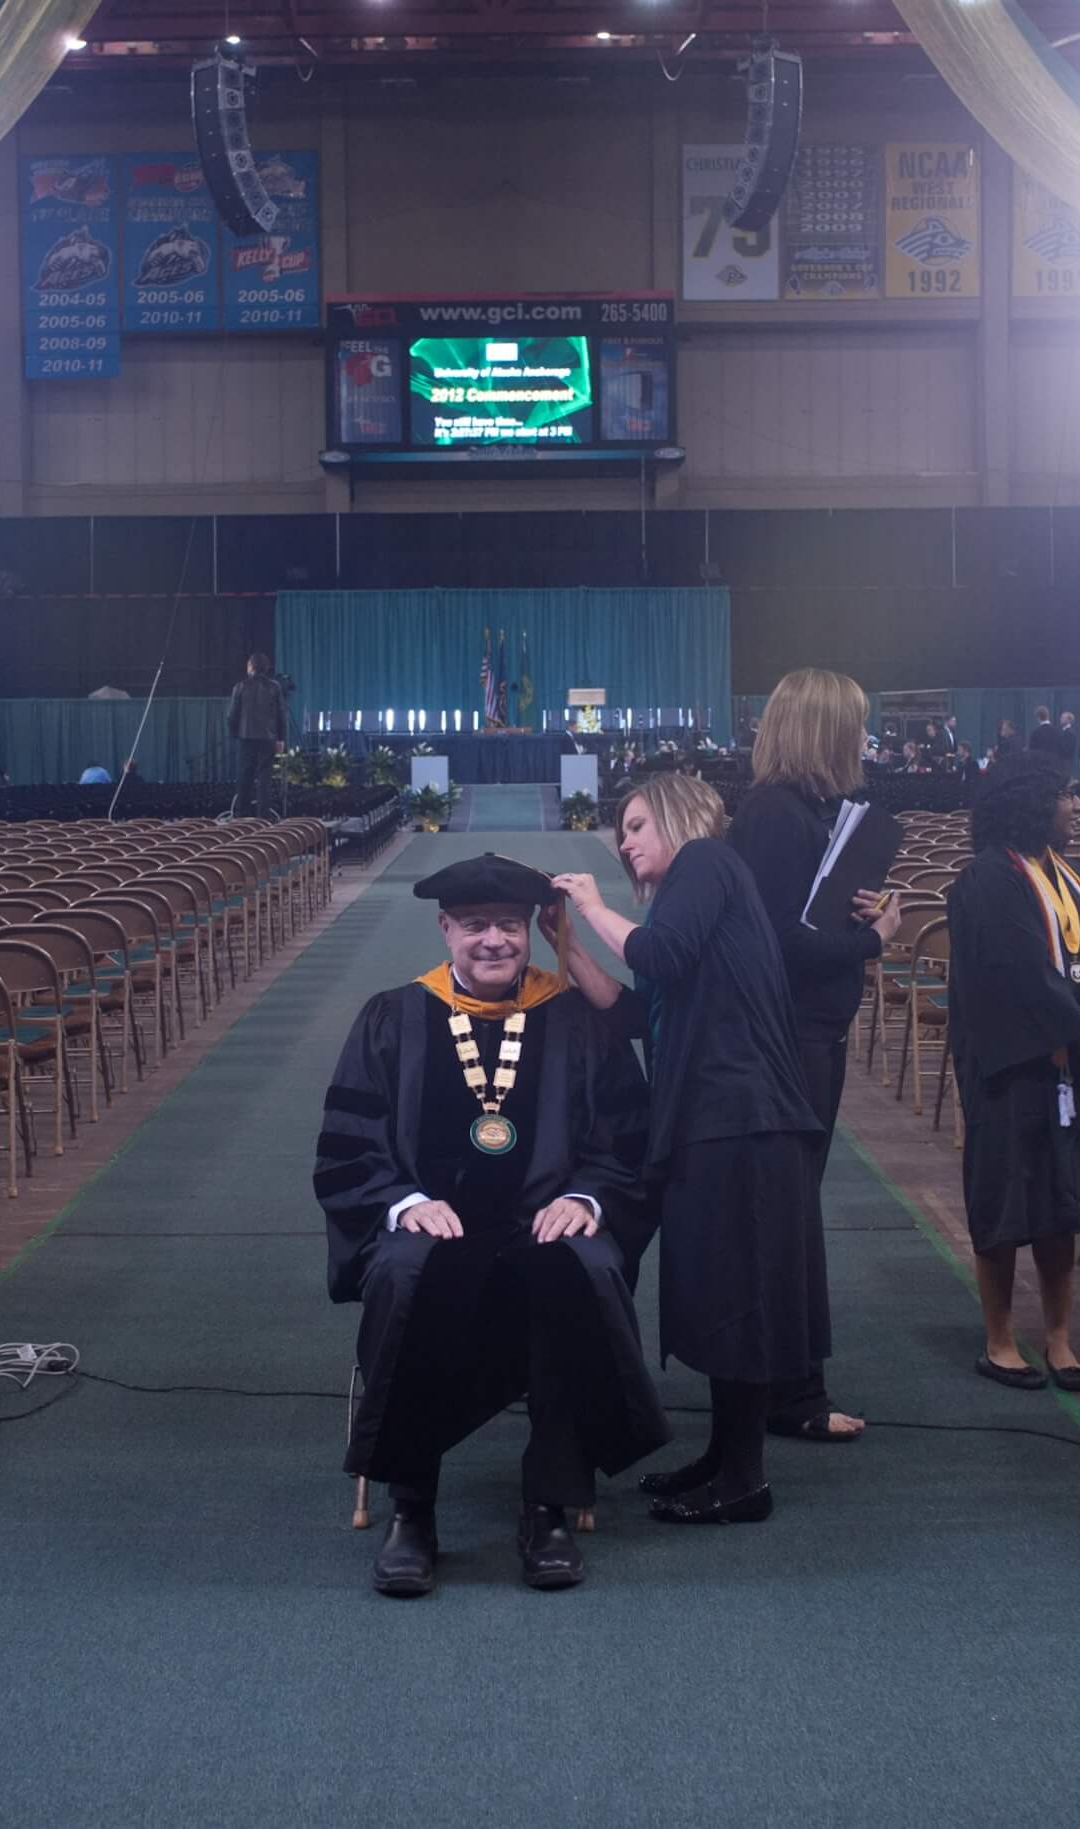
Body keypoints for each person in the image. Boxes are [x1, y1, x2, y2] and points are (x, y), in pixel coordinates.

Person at [315, 854, 668, 1597]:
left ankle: (548, 1505)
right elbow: (350, 1146)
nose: (493, 941)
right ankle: (411, 1508)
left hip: (542, 1216)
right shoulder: (394, 1015)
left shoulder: (574, 1017)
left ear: (530, 933)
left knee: (576, 1263)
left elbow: (625, 1138)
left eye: (508, 925)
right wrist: (404, 1201)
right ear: (445, 928)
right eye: (474, 925)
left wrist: (590, 1197)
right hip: (432, 1219)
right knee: (406, 1269)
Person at [551, 773, 827, 1526]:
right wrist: (568, 948)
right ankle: (724, 1459)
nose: (625, 841)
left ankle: (743, 1480)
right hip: (715, 1122)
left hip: (740, 1119)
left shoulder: (705, 861)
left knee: (735, 1300)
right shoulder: (693, 897)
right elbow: (638, 1008)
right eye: (621, 830)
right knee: (717, 1296)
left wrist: (592, 904)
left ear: (678, 816)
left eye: (637, 824)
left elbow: (659, 957)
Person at [944, 754, 1080, 1392]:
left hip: (1074, 1065)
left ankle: (1061, 1339)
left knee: (1063, 1201)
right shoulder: (985, 880)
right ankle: (1000, 1338)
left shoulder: (1079, 877)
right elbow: (1028, 983)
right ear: (1034, 801)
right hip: (1009, 1065)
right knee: (1006, 1198)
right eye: (1069, 794)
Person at [727, 668, 901, 1445]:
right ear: (826, 730)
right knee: (784, 1221)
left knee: (789, 1218)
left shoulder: (806, 812)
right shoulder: (774, 813)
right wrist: (871, 937)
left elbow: (800, 917)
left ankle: (782, 1383)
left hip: (810, 1035)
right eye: (856, 725)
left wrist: (854, 908)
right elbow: (777, 942)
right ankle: (788, 1391)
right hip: (787, 1038)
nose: (865, 741)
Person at [226, 652, 288, 820]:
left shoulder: (240, 686)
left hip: (245, 738)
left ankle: (240, 816)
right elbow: (282, 715)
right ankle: (263, 817)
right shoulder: (275, 687)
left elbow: (232, 715)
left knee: (244, 777)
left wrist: (235, 733)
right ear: (266, 669)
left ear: (250, 667)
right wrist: (281, 739)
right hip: (268, 738)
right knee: (264, 777)